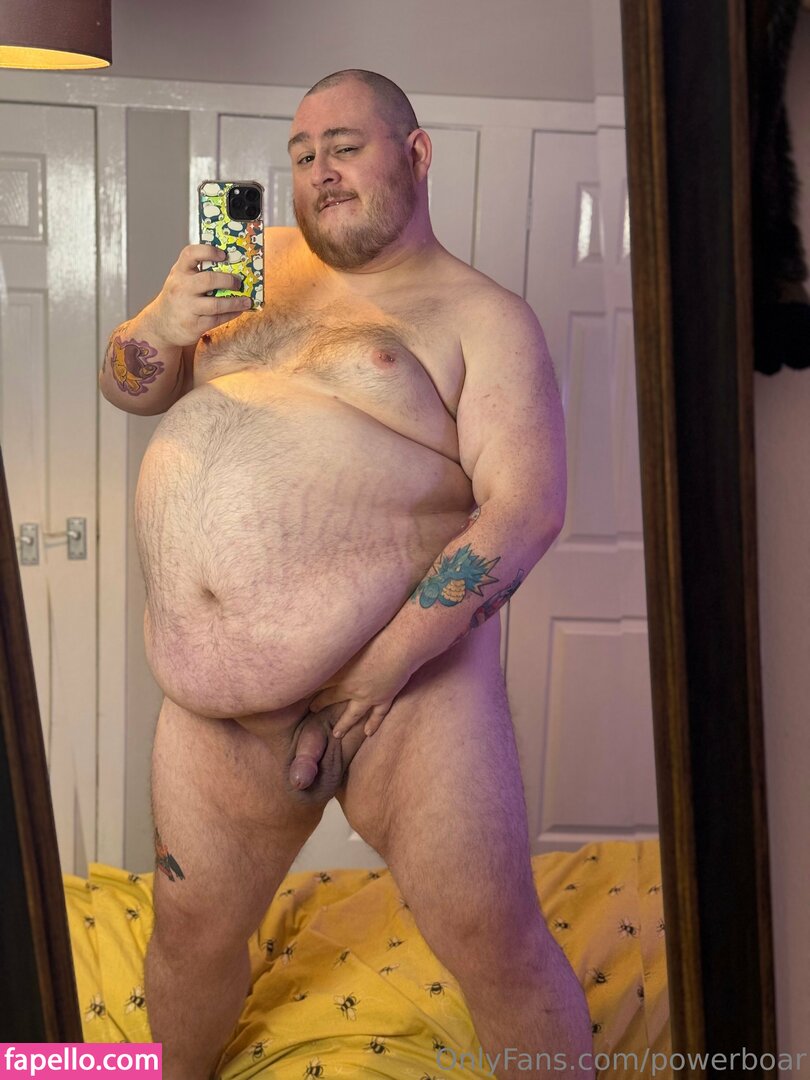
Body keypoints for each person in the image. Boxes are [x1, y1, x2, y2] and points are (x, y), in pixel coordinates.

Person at [99, 69, 594, 1080]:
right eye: (302, 153)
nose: (319, 169)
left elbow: (526, 511)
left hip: (405, 694)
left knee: (492, 941)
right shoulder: (246, 272)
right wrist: (158, 326)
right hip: (217, 720)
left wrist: (381, 670)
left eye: (345, 146)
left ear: (415, 155)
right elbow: (128, 388)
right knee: (188, 932)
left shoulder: (481, 316)